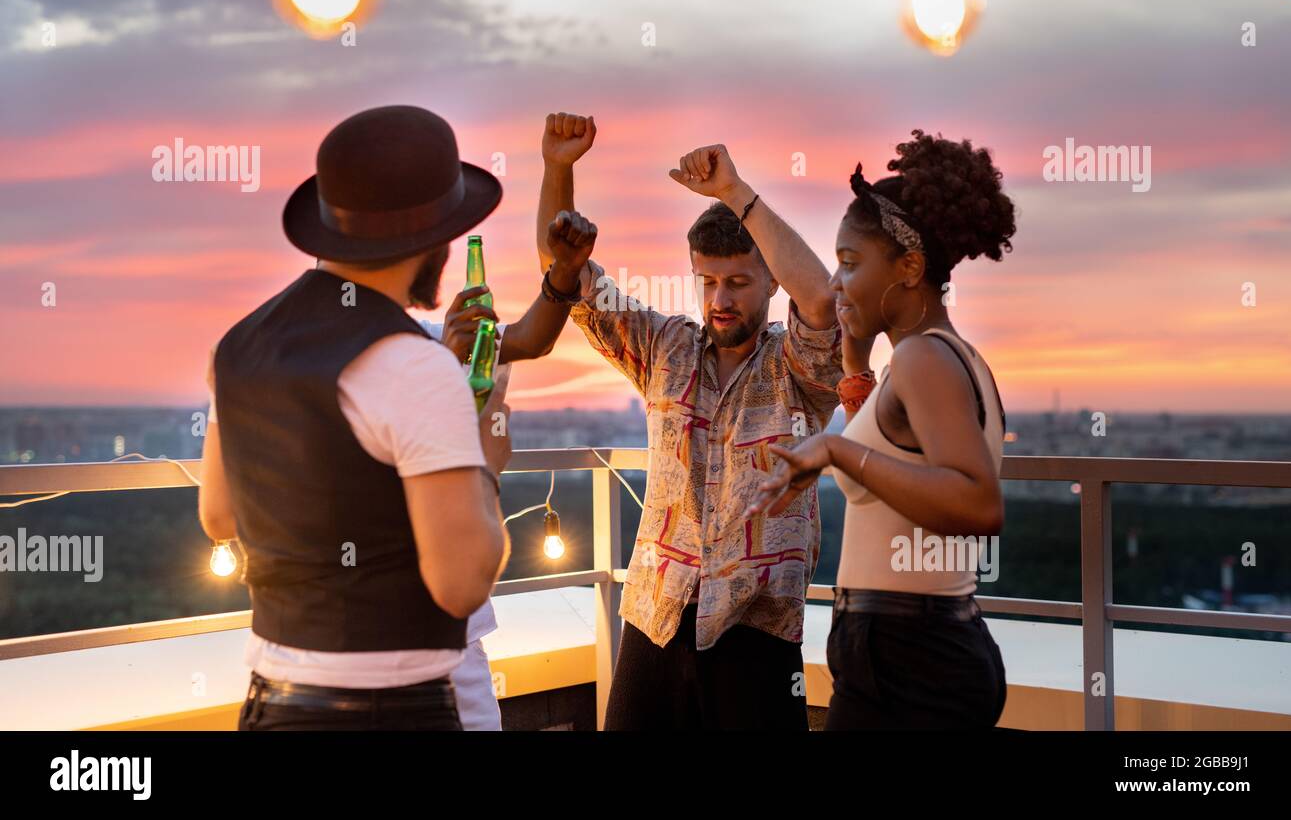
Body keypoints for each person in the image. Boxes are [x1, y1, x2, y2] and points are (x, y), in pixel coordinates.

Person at [536, 113, 870, 729]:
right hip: (656, 617)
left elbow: (822, 300)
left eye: (739, 282)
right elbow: (566, 275)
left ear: (772, 280)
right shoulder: (665, 348)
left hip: (758, 628)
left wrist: (734, 192)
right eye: (708, 281)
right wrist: (559, 168)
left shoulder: (798, 367)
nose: (720, 300)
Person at [198, 105, 518, 730]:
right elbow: (462, 583)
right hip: (390, 711)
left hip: (272, 704)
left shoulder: (235, 347)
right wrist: (484, 459)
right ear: (434, 240)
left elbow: (218, 516)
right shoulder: (413, 364)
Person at [752, 129, 1016, 729]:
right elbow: (898, 444)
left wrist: (837, 450)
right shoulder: (950, 356)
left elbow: (978, 502)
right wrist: (852, 365)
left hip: (908, 652)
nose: (836, 283)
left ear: (909, 268)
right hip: (913, 643)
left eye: (849, 263)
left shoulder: (923, 359)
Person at [425, 209, 599, 730]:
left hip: (459, 642)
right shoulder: (328, 364)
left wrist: (563, 274)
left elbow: (531, 339)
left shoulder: (421, 335)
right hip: (385, 649)